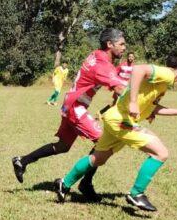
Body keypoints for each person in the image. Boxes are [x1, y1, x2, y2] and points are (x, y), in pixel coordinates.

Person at [55, 51, 177, 212]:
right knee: (161, 152)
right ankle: (136, 194)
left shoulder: (163, 81)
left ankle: (64, 184)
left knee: (98, 158)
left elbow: (153, 106)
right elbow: (138, 70)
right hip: (122, 121)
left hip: (115, 118)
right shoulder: (167, 74)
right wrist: (134, 103)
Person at [11, 28, 129, 200]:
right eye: (121, 44)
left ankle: (22, 161)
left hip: (70, 103)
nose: (124, 48)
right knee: (104, 143)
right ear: (109, 44)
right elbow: (121, 89)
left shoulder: (96, 54)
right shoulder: (103, 65)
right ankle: (85, 184)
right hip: (76, 106)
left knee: (63, 146)